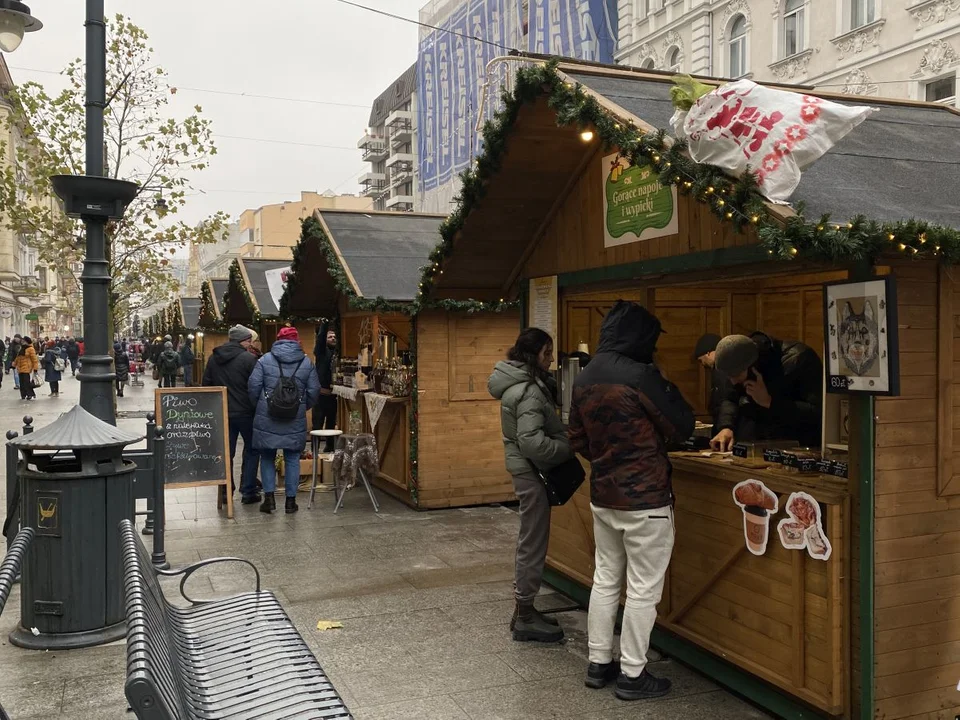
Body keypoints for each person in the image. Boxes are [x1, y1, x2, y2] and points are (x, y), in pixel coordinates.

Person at [568, 301, 695, 701]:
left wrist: (608, 461)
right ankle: (634, 674)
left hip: (604, 496)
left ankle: (598, 662)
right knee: (642, 590)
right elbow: (682, 426)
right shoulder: (642, 375)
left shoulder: (585, 375)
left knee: (605, 580)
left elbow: (576, 438)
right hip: (646, 501)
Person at [488, 327, 570, 644]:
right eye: (547, 353)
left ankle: (525, 609)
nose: (551, 359)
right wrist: (566, 446)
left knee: (530, 538)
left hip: (524, 470)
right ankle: (524, 614)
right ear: (532, 354)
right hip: (532, 472)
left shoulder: (517, 383)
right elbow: (532, 442)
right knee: (533, 540)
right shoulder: (530, 391)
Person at [710, 332, 823, 452]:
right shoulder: (737, 362)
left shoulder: (799, 358)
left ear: (753, 365)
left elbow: (817, 414)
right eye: (729, 377)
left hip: (796, 450)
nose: (733, 382)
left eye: (737, 375)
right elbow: (730, 397)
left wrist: (769, 402)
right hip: (755, 447)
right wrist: (726, 427)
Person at [248, 326, 319, 515]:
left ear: (278, 339)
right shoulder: (306, 363)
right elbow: (313, 391)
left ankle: (269, 500)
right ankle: (290, 502)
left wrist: (262, 405)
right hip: (294, 418)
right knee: (293, 458)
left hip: (267, 416)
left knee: (268, 457)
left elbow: (253, 387)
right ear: (297, 341)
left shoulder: (264, 360)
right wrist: (302, 407)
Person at [203, 325, 261, 505]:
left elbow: (206, 386)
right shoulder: (248, 359)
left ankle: (226, 492)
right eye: (249, 341)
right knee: (252, 450)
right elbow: (256, 386)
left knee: (226, 453)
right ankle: (249, 491)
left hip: (222, 413)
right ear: (244, 341)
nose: (250, 344)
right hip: (246, 412)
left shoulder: (213, 358)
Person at [693, 333, 730, 436]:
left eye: (701, 360)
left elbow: (724, 398)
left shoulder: (721, 369)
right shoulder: (720, 369)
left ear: (708, 353)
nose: (702, 364)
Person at [312, 323, 338, 452]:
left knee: (331, 425)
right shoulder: (321, 352)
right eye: (330, 337)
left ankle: (330, 448)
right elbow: (321, 340)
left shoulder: (338, 352)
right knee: (317, 425)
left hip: (333, 396)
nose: (333, 338)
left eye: (334, 336)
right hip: (321, 395)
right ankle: (315, 452)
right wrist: (325, 324)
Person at [14, 335, 39, 401]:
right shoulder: (21, 348)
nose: (22, 342)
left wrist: (35, 368)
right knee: (21, 382)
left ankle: (30, 394)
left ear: (27, 342)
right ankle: (23, 395)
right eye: (22, 341)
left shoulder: (30, 349)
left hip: (27, 368)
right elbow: (18, 357)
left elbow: (34, 360)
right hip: (20, 368)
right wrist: (14, 364)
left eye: (24, 341)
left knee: (26, 382)